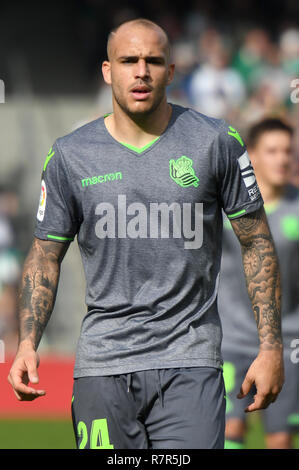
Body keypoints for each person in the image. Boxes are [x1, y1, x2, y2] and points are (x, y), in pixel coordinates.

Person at [8, 18, 284, 449]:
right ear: (107, 70)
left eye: (154, 61)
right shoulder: (69, 154)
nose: (141, 71)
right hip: (103, 366)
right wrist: (27, 343)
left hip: (191, 361)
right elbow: (45, 254)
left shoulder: (215, 141)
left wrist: (271, 347)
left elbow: (256, 241)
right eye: (129, 60)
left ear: (171, 72)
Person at [219, 118, 299, 449]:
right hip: (229, 338)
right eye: (272, 151)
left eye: (288, 151)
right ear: (251, 155)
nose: (282, 159)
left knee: (279, 438)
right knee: (227, 431)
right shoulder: (224, 209)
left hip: (289, 340)